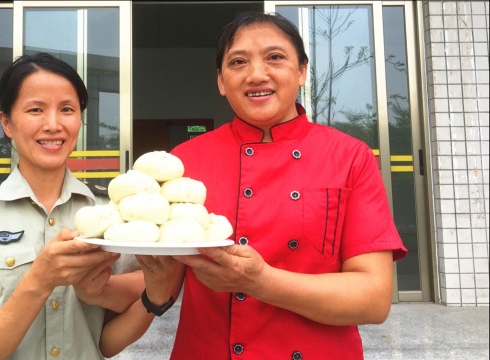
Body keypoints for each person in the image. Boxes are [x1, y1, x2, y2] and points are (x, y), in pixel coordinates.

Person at [169, 12, 408, 359]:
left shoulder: (350, 157)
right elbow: (158, 279)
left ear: (302, 72)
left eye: (275, 57)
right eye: (238, 62)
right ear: (221, 81)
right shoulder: (185, 160)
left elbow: (373, 298)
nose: (256, 74)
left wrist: (260, 282)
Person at [0, 52, 184, 359]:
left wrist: (154, 296)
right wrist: (40, 280)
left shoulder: (110, 214)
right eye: (35, 110)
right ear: (6, 122)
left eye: (67, 109)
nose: (54, 125)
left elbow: (105, 343)